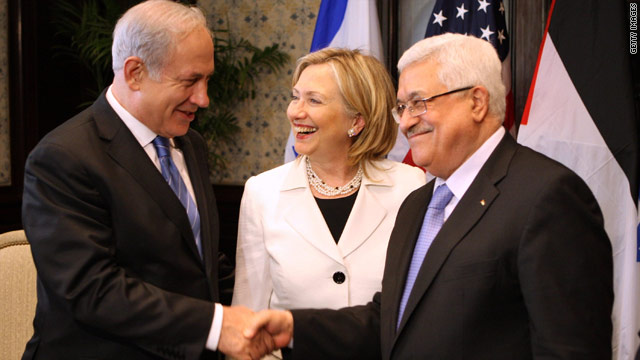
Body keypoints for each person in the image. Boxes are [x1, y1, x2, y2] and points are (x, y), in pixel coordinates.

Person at [244, 33, 614, 359]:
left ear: (477, 102)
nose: (404, 122)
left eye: (419, 103)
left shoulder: (547, 197)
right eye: (402, 107)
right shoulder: (419, 203)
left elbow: (569, 350)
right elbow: (390, 320)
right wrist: (295, 328)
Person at [21, 1, 273, 359]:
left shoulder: (191, 144)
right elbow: (92, 291)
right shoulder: (63, 157)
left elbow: (196, 261)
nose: (203, 99)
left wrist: (274, 310)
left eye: (207, 80)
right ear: (135, 72)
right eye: (190, 81)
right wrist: (216, 325)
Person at [231, 48, 425, 358]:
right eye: (295, 97)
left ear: (357, 120)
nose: (295, 111)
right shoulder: (262, 192)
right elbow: (248, 321)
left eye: (314, 100)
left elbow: (421, 312)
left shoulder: (411, 186)